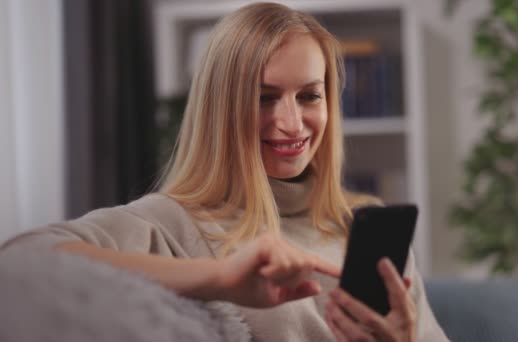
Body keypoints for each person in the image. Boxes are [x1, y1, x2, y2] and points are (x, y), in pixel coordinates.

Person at [1, 2, 448, 341]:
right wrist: (222, 281)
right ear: (221, 109)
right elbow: (20, 259)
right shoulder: (167, 222)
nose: (292, 123)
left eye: (309, 96)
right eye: (264, 97)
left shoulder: (361, 229)